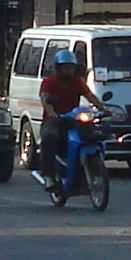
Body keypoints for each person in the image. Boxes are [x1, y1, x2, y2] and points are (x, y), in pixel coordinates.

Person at [36, 45, 96, 193]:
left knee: (91, 136)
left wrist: (104, 109)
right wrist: (52, 113)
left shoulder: (78, 82)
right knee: (50, 137)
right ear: (58, 68)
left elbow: (90, 96)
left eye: (71, 67)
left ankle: (89, 170)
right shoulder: (49, 82)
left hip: (73, 119)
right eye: (65, 67)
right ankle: (48, 174)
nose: (69, 71)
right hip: (55, 120)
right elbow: (45, 98)